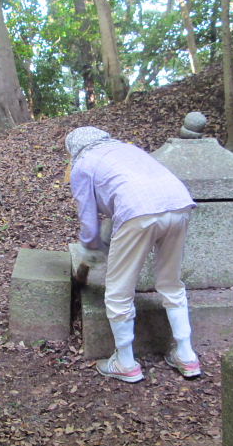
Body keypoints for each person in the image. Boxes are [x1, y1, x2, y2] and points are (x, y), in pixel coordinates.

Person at [66, 126, 200, 383]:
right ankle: (186, 354)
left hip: (137, 213)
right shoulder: (127, 149)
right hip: (179, 204)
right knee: (171, 283)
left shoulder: (82, 164)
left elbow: (89, 221)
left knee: (118, 291)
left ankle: (125, 362)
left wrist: (90, 250)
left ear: (74, 149)